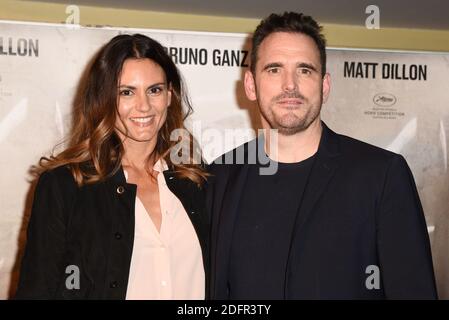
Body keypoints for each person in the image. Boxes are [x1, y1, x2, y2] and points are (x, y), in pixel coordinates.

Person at [207, 12, 437, 299]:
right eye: (274, 69)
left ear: (324, 86)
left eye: (304, 70)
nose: (290, 85)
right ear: (251, 85)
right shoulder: (220, 178)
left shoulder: (381, 175)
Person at [15, 34, 209, 299]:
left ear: (169, 96)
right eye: (126, 92)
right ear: (104, 99)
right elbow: (37, 290)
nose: (144, 106)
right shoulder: (66, 186)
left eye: (155, 90)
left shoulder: (197, 181)